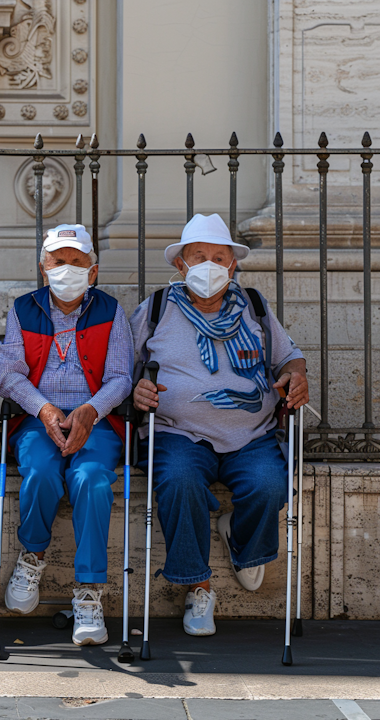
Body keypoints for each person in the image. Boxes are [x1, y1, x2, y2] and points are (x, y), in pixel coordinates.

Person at [130, 213, 309, 637]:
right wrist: (136, 390)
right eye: (199, 257)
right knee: (177, 481)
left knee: (269, 485)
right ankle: (198, 585)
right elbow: (122, 371)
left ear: (232, 265)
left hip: (252, 434)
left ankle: (244, 545)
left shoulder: (254, 306)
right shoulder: (155, 309)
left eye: (219, 257)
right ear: (181, 265)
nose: (209, 266)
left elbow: (290, 357)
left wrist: (297, 376)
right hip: (178, 432)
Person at [0, 224, 133, 646]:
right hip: (39, 418)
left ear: (93, 271)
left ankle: (89, 592)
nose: (67, 269)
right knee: (39, 469)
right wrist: (46, 409)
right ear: (43, 268)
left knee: (90, 480)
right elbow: (9, 375)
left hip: (97, 420)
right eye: (58, 261)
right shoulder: (23, 309)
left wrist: (90, 411)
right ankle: (33, 554)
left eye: (77, 262)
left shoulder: (111, 310)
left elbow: (121, 376)